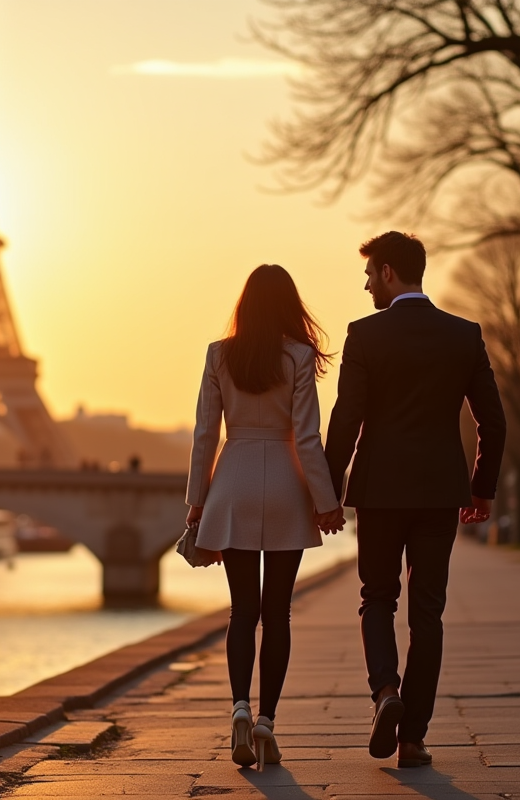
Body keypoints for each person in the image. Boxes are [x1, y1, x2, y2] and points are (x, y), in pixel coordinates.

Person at [324, 232, 506, 768]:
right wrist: (482, 488)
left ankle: (386, 691)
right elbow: (493, 422)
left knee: (377, 597)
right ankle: (413, 739)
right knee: (428, 609)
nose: (366, 285)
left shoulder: (364, 335)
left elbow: (345, 420)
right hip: (438, 491)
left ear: (387, 272)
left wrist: (328, 491)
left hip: (379, 490)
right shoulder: (464, 335)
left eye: (369, 274)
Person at [186, 264, 345, 771]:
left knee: (242, 612)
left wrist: (197, 500)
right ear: (288, 307)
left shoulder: (219, 354)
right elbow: (307, 437)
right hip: (283, 486)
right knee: (277, 614)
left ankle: (238, 706)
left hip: (232, 484)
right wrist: (326, 500)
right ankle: (266, 722)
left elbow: (205, 434)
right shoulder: (298, 356)